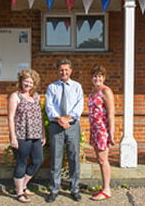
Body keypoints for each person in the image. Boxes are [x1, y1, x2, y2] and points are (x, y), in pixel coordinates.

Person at [45, 59, 84, 202]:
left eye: (66, 70)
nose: (64, 72)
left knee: (74, 157)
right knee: (56, 158)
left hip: (72, 126)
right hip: (56, 125)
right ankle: (54, 189)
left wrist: (68, 119)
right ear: (57, 71)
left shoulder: (77, 87)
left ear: (71, 71)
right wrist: (60, 119)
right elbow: (49, 106)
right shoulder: (52, 87)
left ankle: (75, 189)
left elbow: (79, 105)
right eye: (61, 70)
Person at [7, 69, 46, 203]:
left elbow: (39, 116)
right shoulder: (15, 96)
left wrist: (43, 134)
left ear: (34, 84)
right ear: (21, 81)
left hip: (36, 135)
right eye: (26, 81)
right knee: (22, 162)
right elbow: (11, 118)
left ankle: (23, 186)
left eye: (31, 82)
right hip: (21, 135)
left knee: (38, 160)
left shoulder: (36, 96)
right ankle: (19, 192)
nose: (28, 84)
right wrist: (13, 137)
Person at [88, 65, 115, 201]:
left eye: (99, 76)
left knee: (103, 159)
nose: (97, 79)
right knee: (100, 159)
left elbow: (110, 113)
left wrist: (111, 132)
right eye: (95, 76)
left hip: (102, 130)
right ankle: (104, 186)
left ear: (103, 78)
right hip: (94, 129)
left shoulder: (106, 91)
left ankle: (106, 190)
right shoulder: (93, 91)